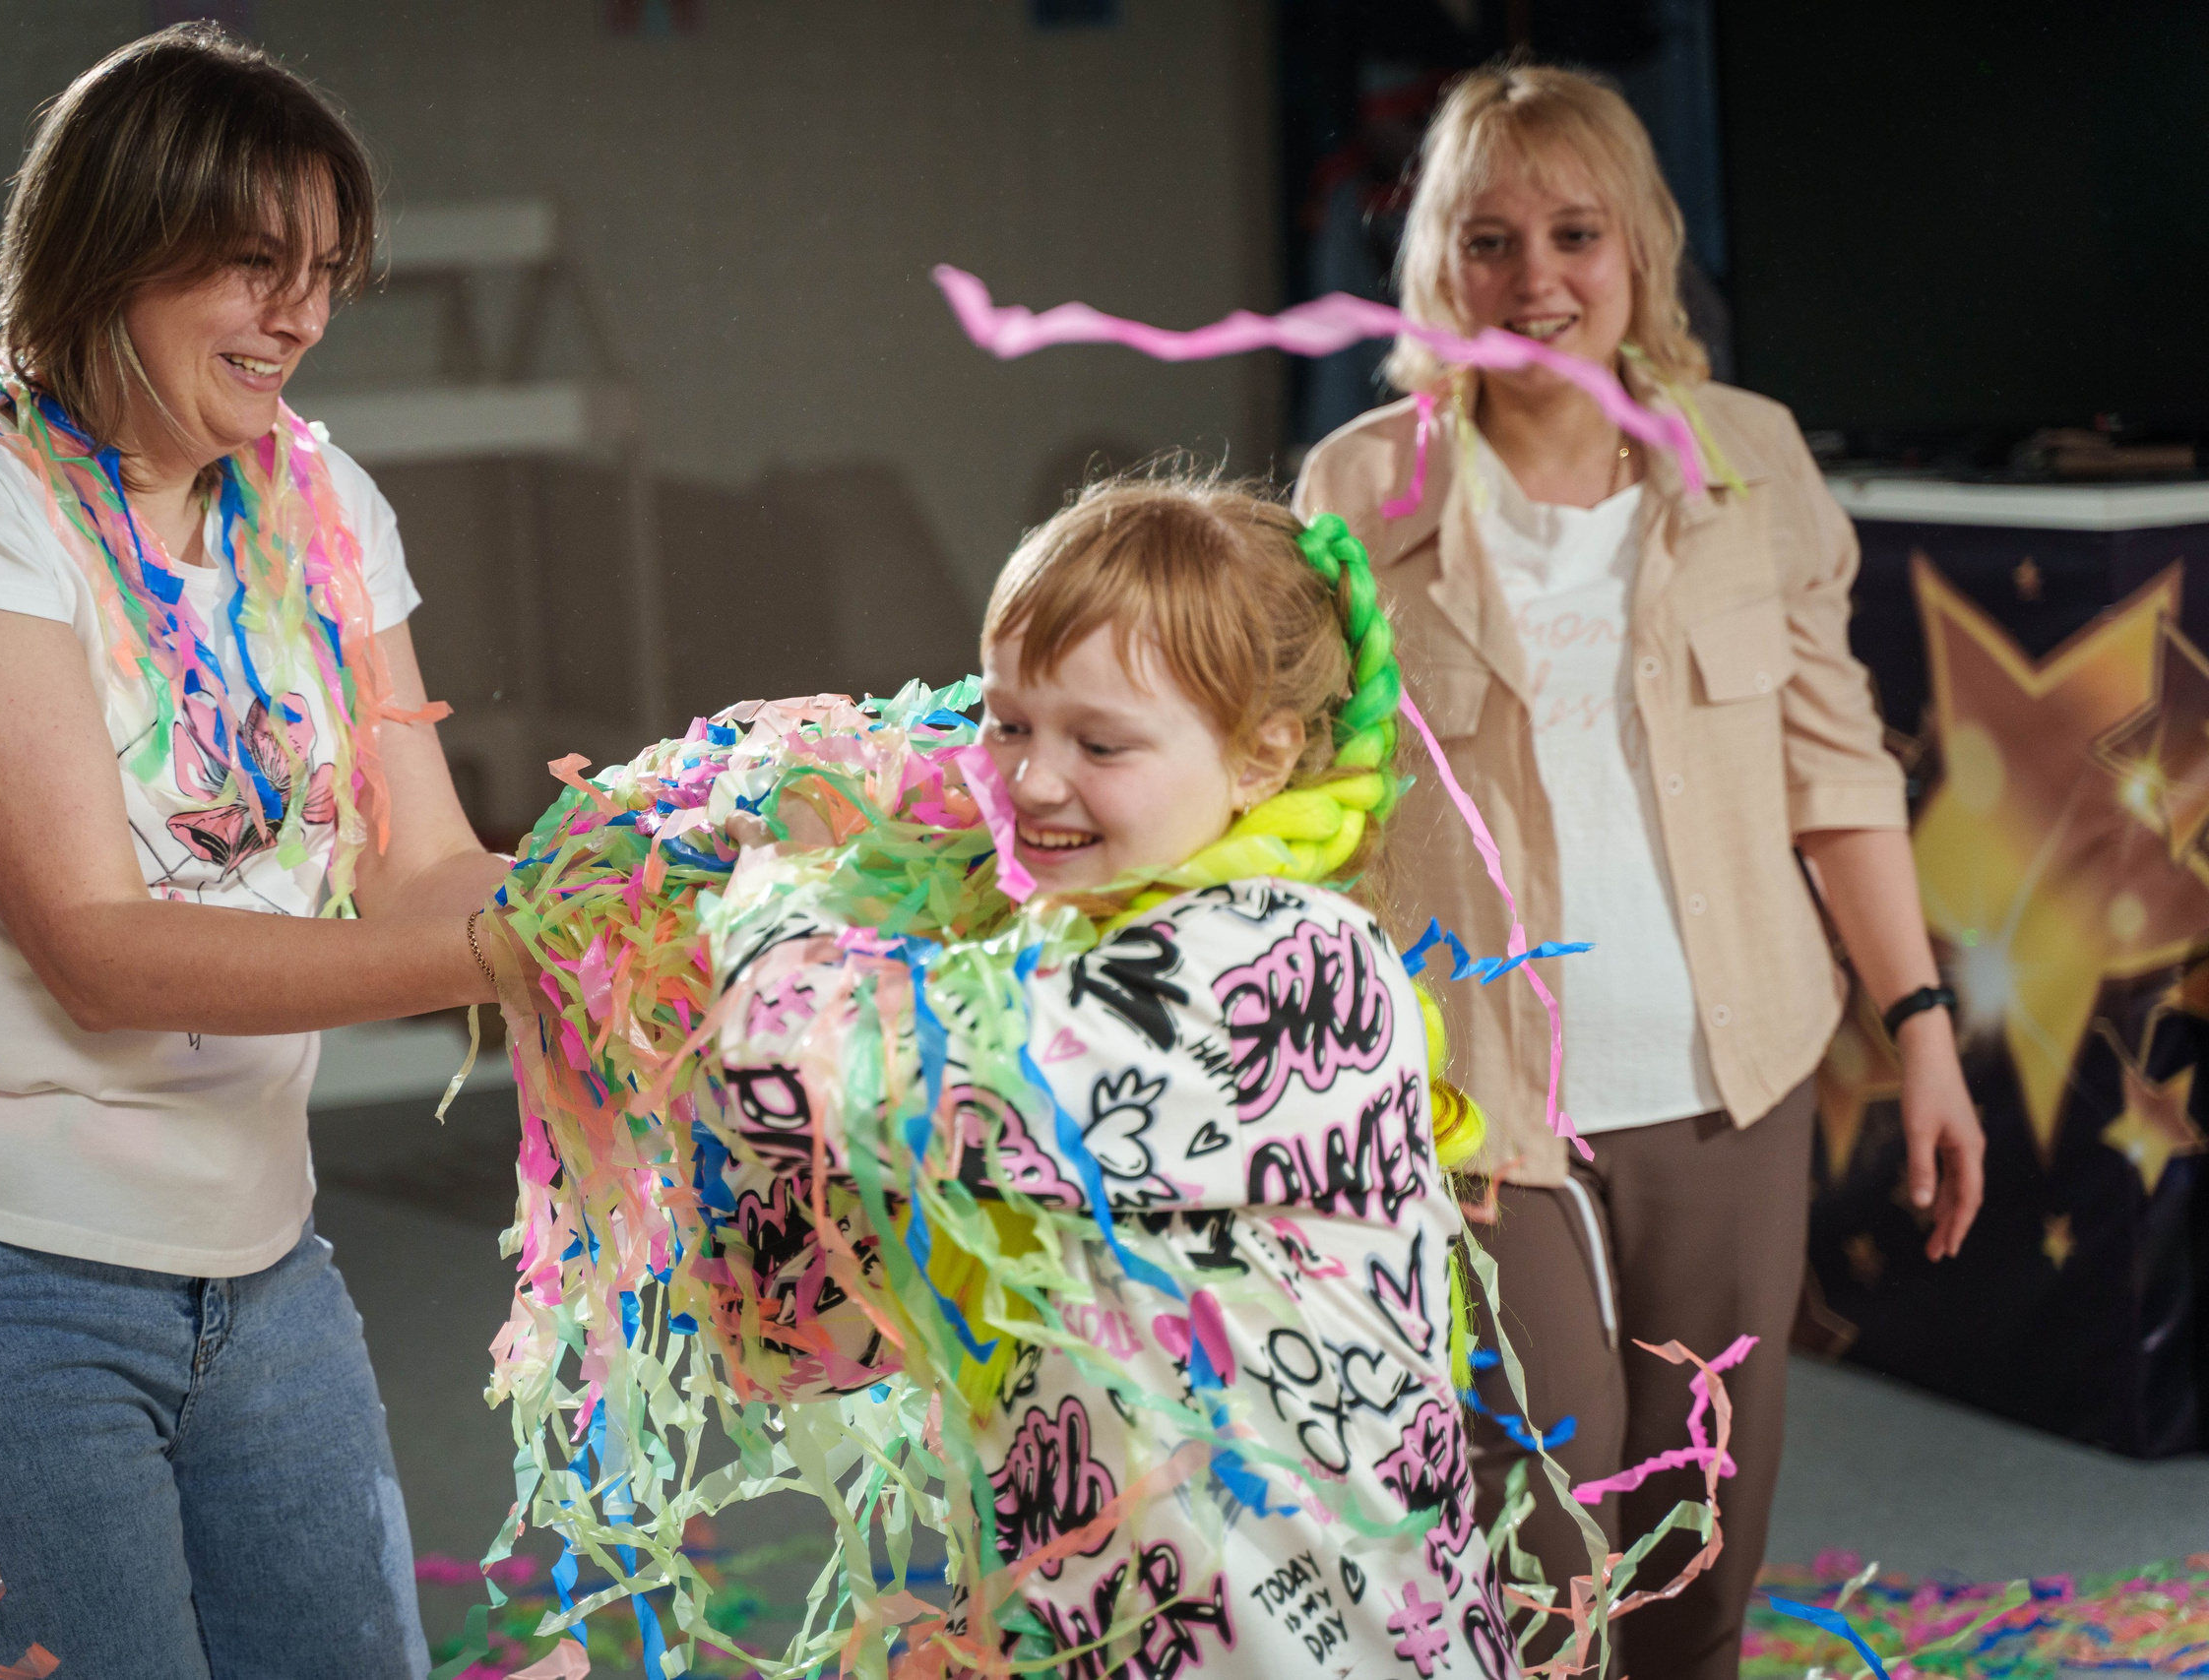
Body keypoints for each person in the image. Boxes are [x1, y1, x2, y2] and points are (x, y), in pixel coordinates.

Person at [0, 27, 506, 1677]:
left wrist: (630, 925)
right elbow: (98, 948)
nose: (303, 313)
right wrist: (500, 959)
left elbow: (425, 869)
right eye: (254, 265)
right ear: (113, 247)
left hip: (260, 1266)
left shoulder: (324, 504)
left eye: (324, 271)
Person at [1293, 63, 1986, 1680]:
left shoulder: (1748, 462)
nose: (1535, 277)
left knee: (1698, 1541)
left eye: (1576, 233)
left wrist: (1925, 1025)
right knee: (1542, 1523)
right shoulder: (1351, 498)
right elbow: (1291, 802)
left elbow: (1836, 769)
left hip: (1728, 1080)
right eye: (1489, 238)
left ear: (1640, 254)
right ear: (1434, 269)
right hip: (1483, 1106)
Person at [699, 478, 1518, 1679]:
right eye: (1007, 724)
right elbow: (806, 1340)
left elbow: (802, 1054)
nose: (1027, 784)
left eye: (1100, 743)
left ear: (1261, 756)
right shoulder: (1037, 965)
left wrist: (787, 891)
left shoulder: (1284, 968)